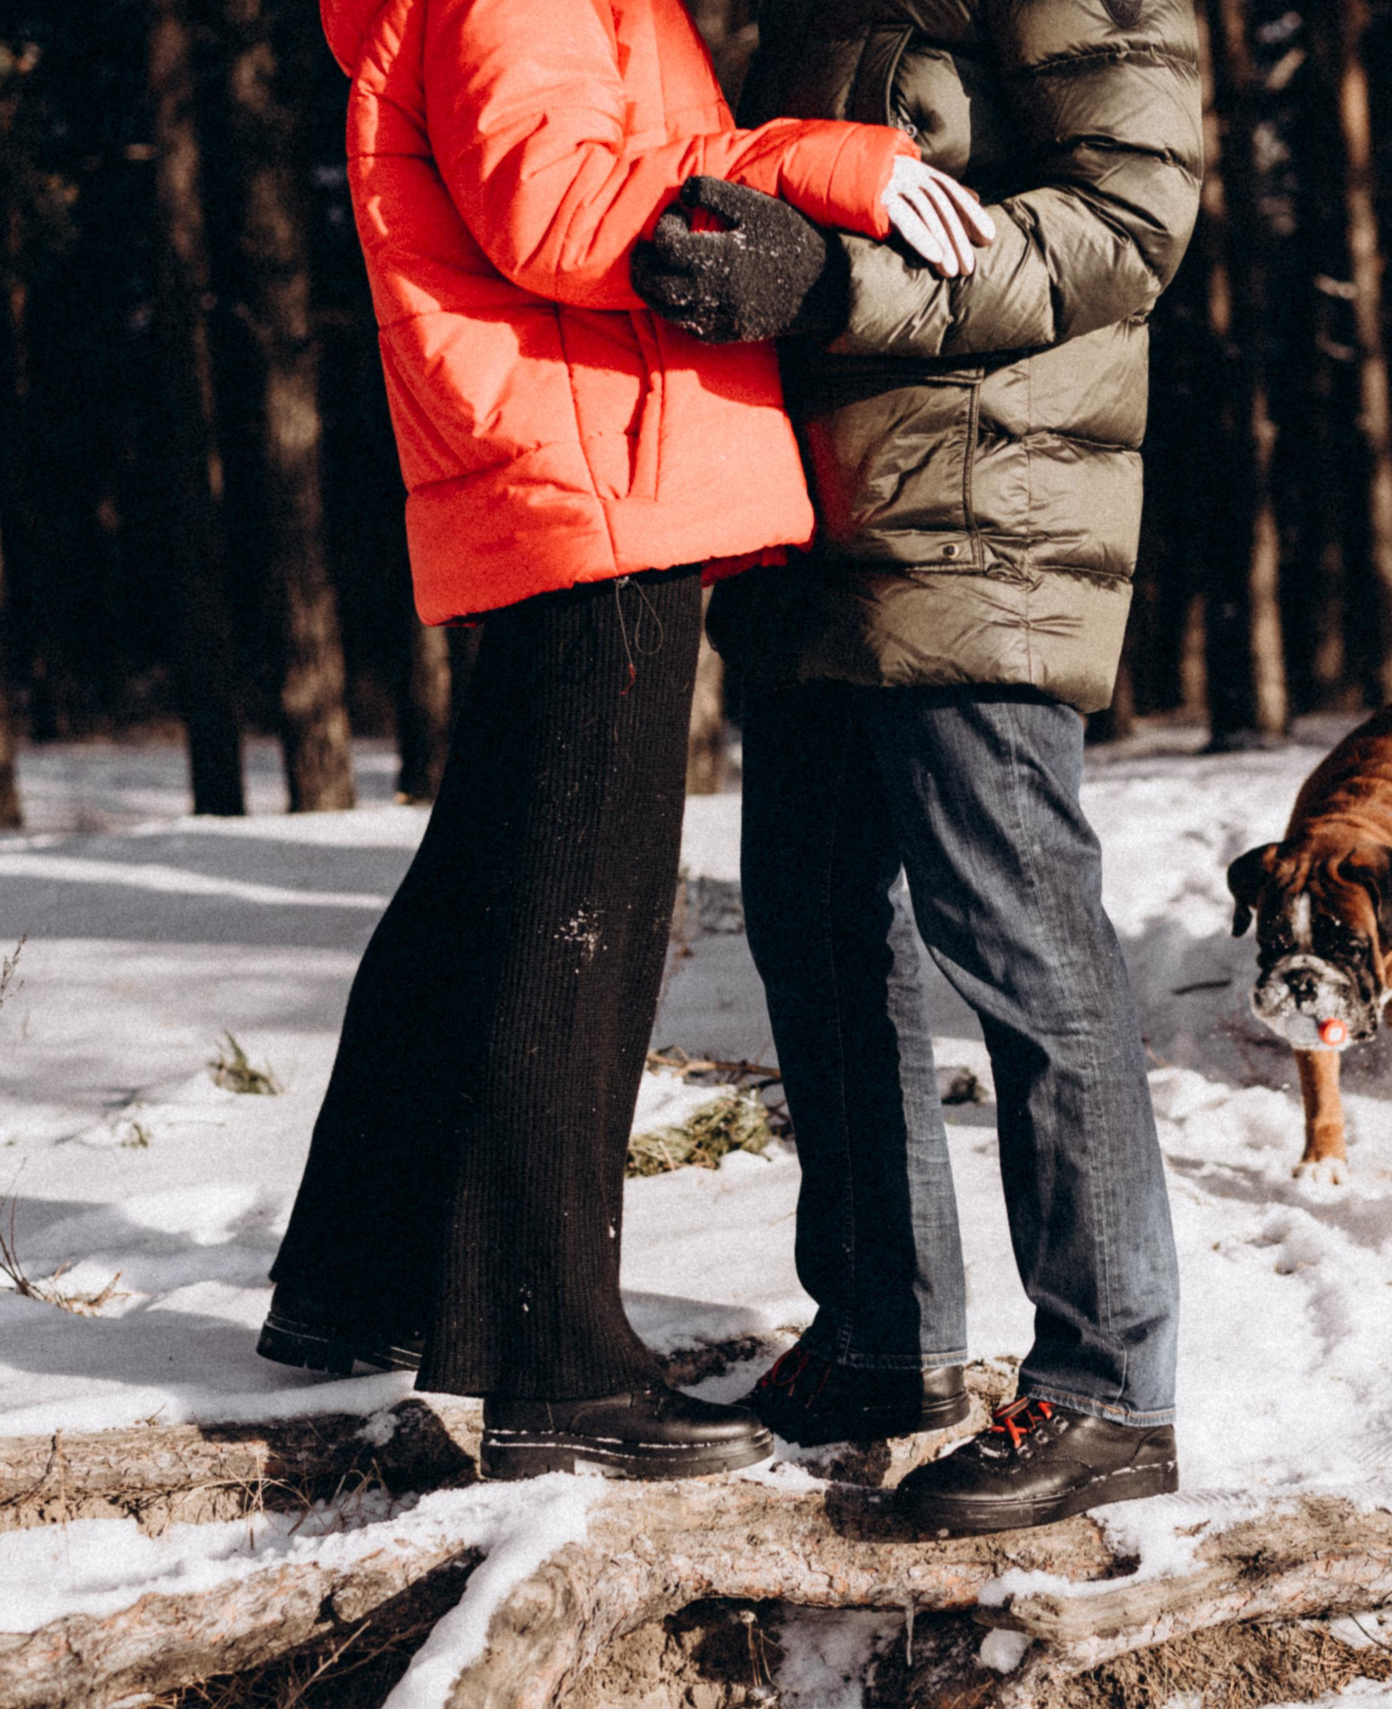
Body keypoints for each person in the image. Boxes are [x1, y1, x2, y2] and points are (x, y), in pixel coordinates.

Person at [261, 0, 990, 1484]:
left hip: (585, 456)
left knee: (486, 883)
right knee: (580, 921)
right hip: (598, 466)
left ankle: (357, 1271)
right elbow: (556, 201)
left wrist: (828, 168)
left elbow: (650, 149)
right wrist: (746, 236)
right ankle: (555, 1362)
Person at [629, 0, 1203, 1531]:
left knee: (1019, 935)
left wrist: (831, 285)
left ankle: (1107, 1386)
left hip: (987, 511)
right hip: (815, 517)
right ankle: (884, 1335)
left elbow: (1126, 225)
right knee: (813, 929)